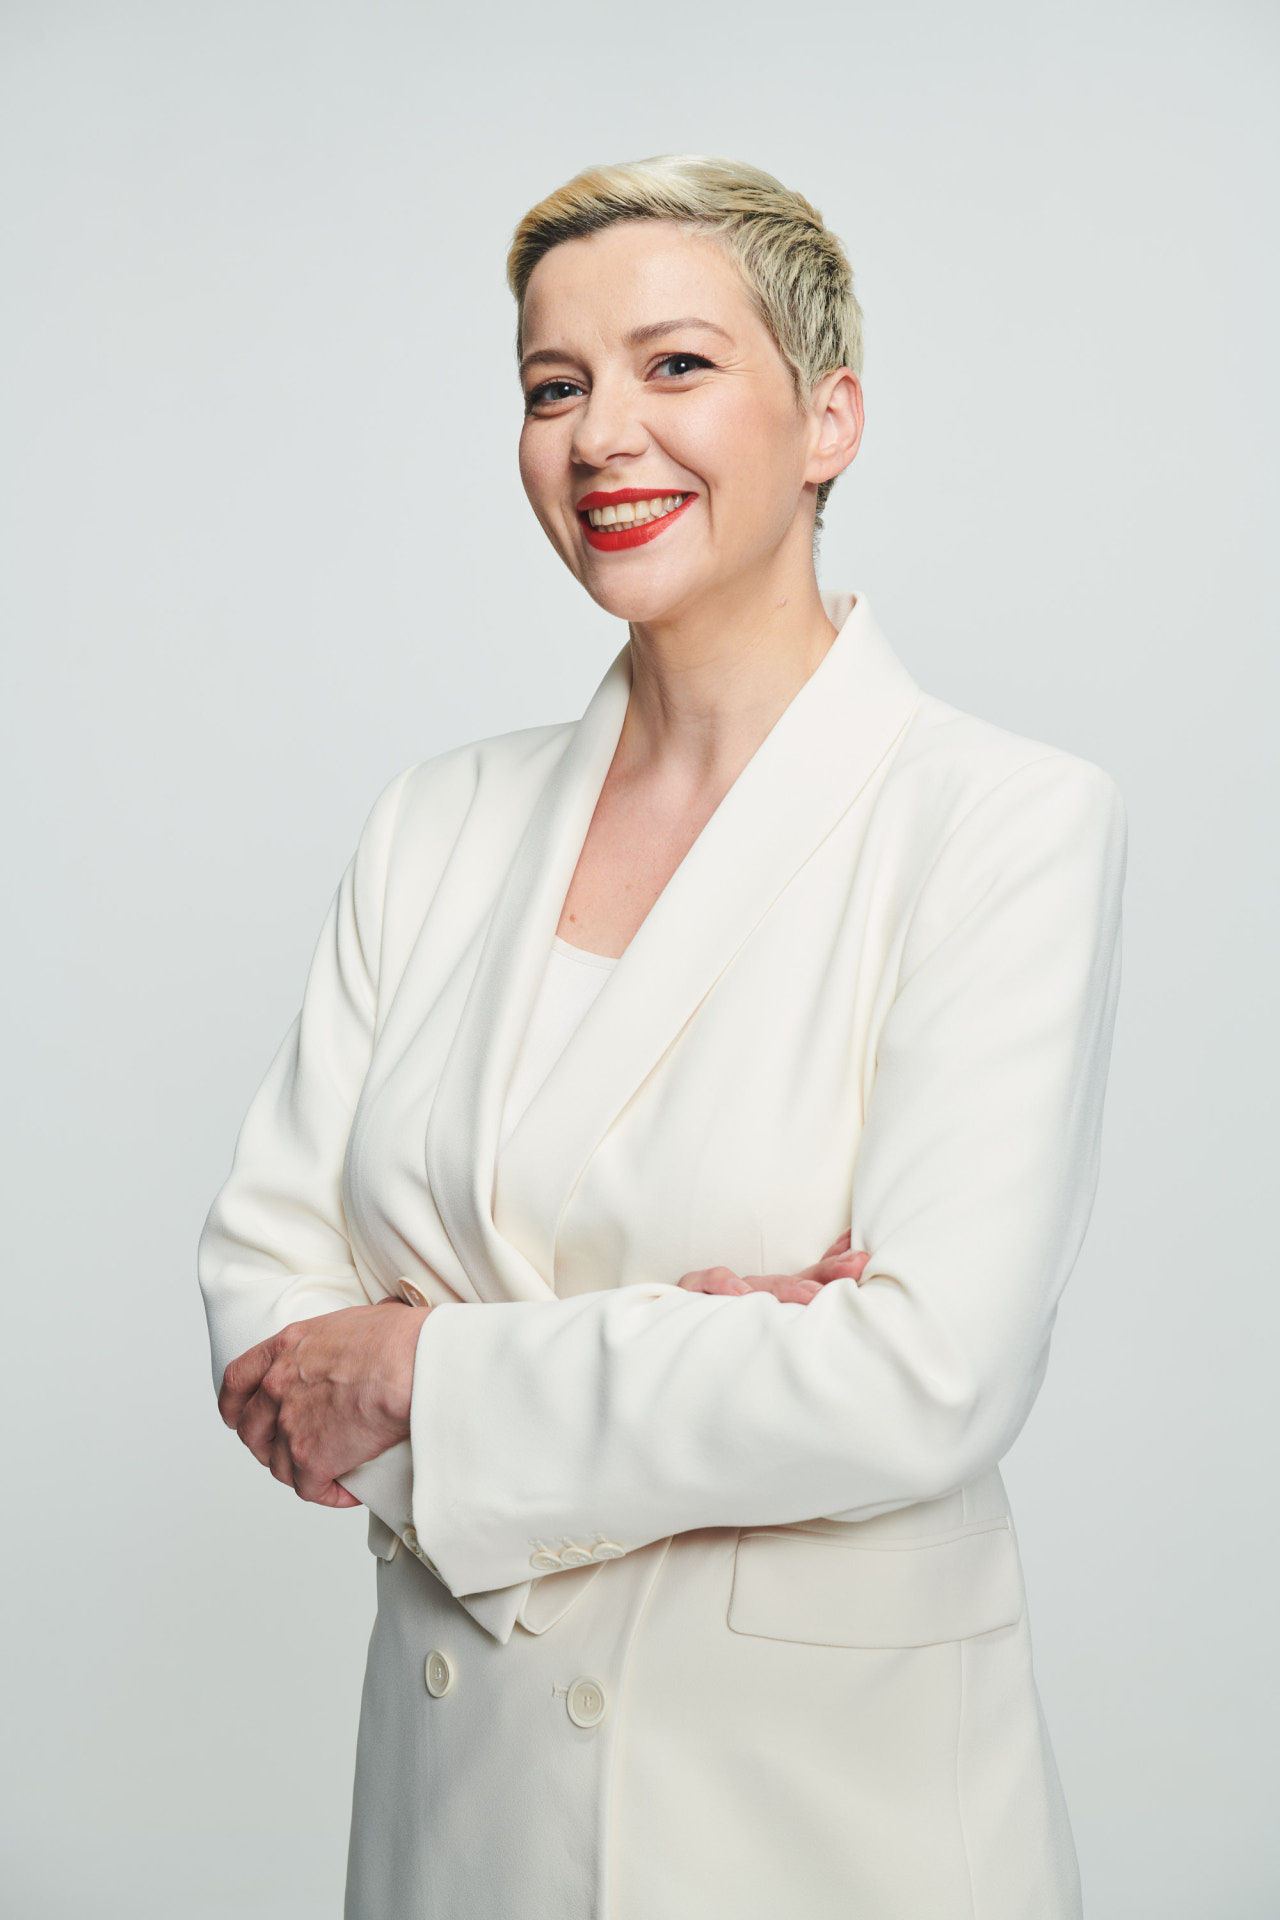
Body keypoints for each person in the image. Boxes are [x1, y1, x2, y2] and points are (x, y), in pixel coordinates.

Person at [200, 155, 1125, 1920]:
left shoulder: (1000, 822)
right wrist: (709, 1350)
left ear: (829, 417)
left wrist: (425, 1366)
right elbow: (269, 1321)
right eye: (556, 387)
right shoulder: (437, 821)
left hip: (822, 1826)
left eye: (676, 366)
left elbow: (923, 1377)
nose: (603, 432)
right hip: (460, 1820)